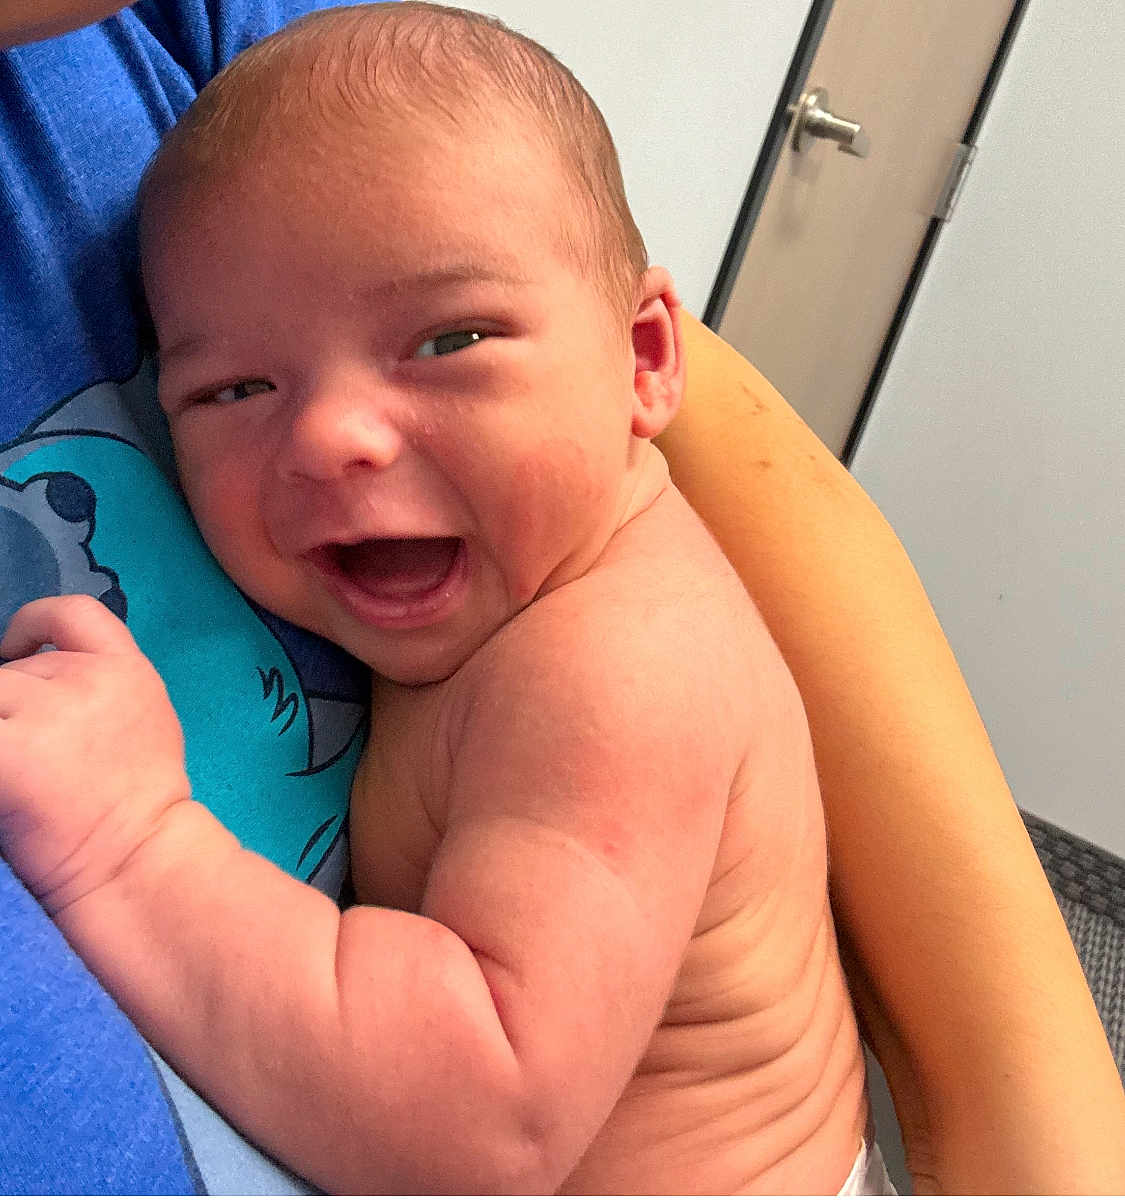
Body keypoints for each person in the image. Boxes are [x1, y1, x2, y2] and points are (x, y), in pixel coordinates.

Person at [1, 1, 1122, 1194]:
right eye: (231, 390)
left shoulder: (616, 673)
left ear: (645, 362)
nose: (329, 436)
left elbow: (480, 1120)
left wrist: (133, 847)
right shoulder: (523, 580)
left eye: (449, 342)